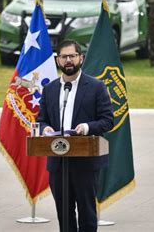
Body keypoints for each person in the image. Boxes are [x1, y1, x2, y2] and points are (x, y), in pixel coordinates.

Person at [38, 39, 114, 232]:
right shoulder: (50, 89)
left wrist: (87, 127)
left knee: (87, 214)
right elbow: (42, 120)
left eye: (72, 56)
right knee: (64, 215)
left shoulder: (96, 87)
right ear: (58, 60)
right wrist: (45, 129)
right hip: (58, 161)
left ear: (81, 58)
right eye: (64, 57)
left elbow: (108, 120)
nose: (68, 60)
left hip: (85, 162)